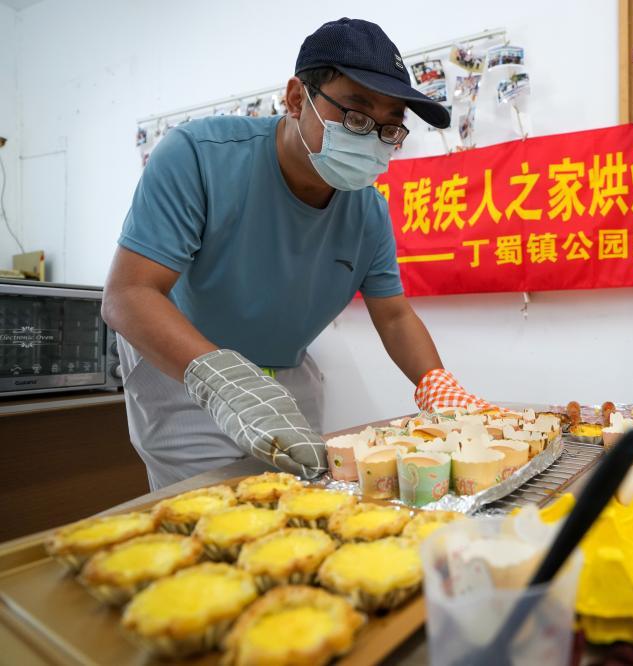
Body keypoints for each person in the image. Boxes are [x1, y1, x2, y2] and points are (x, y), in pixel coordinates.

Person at [103, 18, 492, 490]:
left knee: (302, 495)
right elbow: (129, 295)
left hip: (285, 372)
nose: (371, 138)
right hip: (184, 370)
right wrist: (225, 382)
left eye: (390, 128)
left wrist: (436, 383)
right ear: (295, 99)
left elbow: (393, 316)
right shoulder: (201, 156)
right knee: (211, 504)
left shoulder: (367, 211)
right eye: (356, 116)